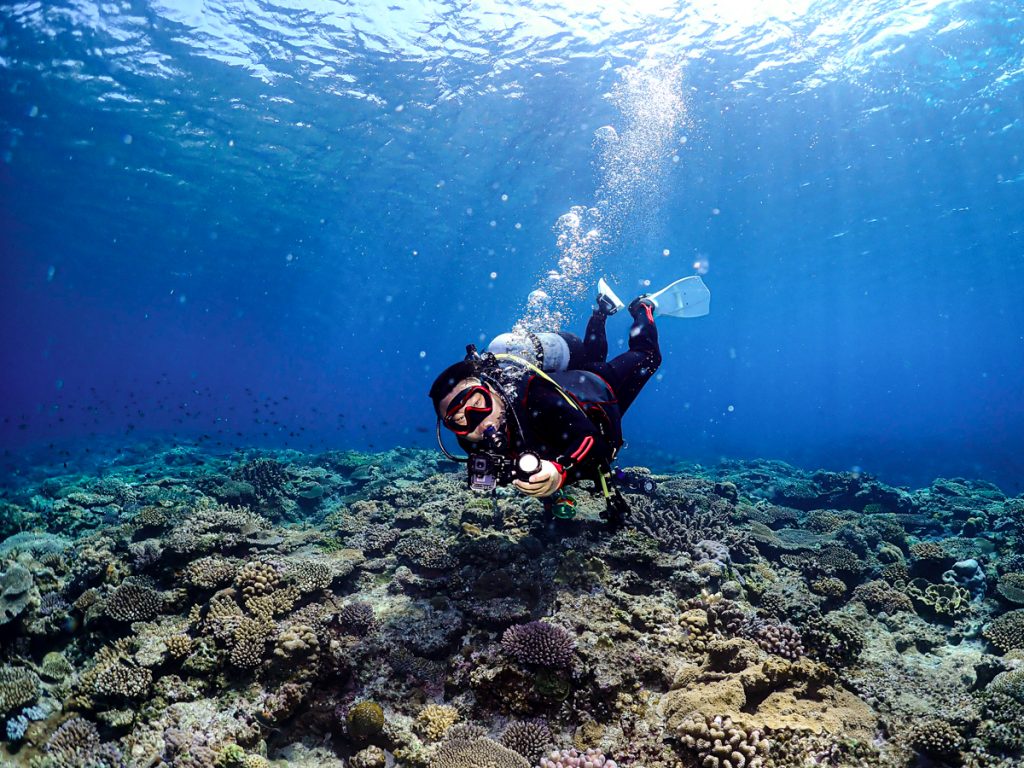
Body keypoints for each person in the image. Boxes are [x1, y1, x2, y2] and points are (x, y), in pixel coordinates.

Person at [428, 276, 709, 528]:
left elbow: (591, 441)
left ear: (490, 388)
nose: (477, 421)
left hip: (597, 390)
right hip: (576, 386)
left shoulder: (532, 394)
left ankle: (643, 307)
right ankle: (601, 311)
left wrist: (558, 471)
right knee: (592, 356)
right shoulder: (471, 441)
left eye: (477, 403)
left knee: (648, 357)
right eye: (459, 420)